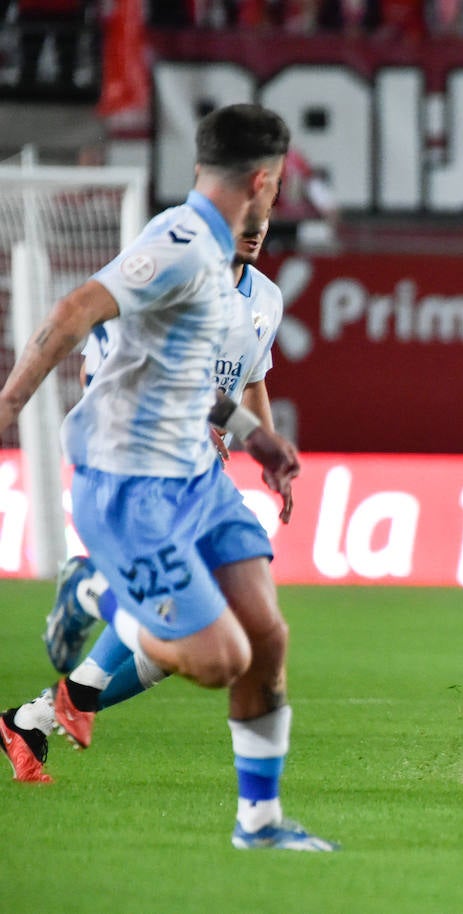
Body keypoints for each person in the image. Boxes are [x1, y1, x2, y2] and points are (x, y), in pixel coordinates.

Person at [0, 103, 336, 851]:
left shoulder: (230, 269)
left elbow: (190, 378)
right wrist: (7, 408)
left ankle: (260, 822)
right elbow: (72, 313)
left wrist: (258, 439)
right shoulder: (180, 243)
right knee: (219, 659)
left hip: (197, 474)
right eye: (277, 185)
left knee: (265, 636)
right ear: (263, 181)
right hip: (133, 482)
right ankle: (94, 589)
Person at [36, 211, 288, 764]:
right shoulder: (159, 289)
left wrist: (265, 449)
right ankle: (85, 612)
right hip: (137, 468)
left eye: (264, 217)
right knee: (200, 622)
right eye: (245, 217)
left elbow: (249, 383)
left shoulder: (265, 299)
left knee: (195, 640)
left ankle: (39, 717)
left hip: (200, 478)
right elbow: (99, 376)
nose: (256, 228)